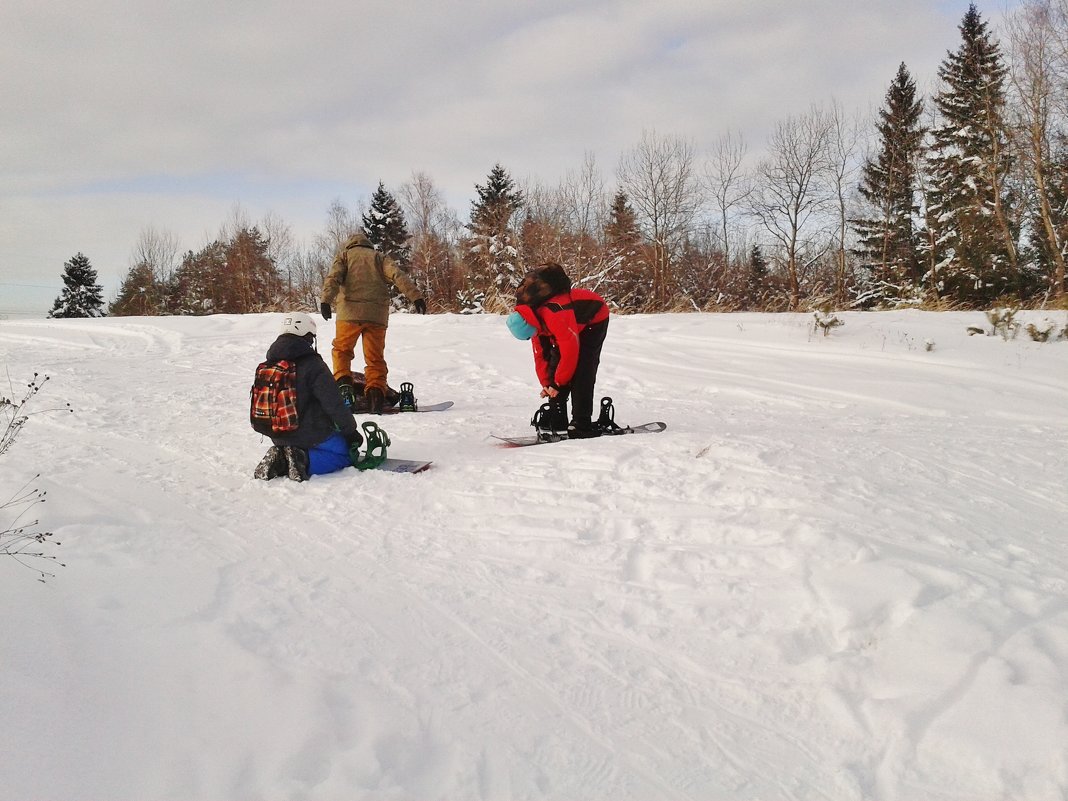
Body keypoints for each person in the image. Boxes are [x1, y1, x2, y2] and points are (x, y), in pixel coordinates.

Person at [319, 231, 426, 414]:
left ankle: (345, 390)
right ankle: (376, 397)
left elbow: (333, 278)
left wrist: (325, 300)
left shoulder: (344, 256)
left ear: (350, 244)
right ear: (367, 244)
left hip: (349, 315)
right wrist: (415, 297)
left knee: (342, 351)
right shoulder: (379, 257)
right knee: (375, 358)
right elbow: (397, 275)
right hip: (376, 316)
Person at [253, 312, 363, 482]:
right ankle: (302, 459)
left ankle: (283, 456)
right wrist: (350, 431)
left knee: (297, 445)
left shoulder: (269, 362)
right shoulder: (312, 364)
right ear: (307, 336)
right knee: (345, 455)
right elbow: (333, 403)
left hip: (277, 434)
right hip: (311, 433)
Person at [506, 263, 610, 438]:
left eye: (531, 334)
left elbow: (570, 353)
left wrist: (558, 384)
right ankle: (558, 419)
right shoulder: (533, 321)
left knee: (583, 370)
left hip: (594, 319)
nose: (533, 337)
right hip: (569, 327)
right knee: (556, 364)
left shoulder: (554, 315)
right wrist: (547, 384)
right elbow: (541, 356)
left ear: (530, 325)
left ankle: (581, 424)